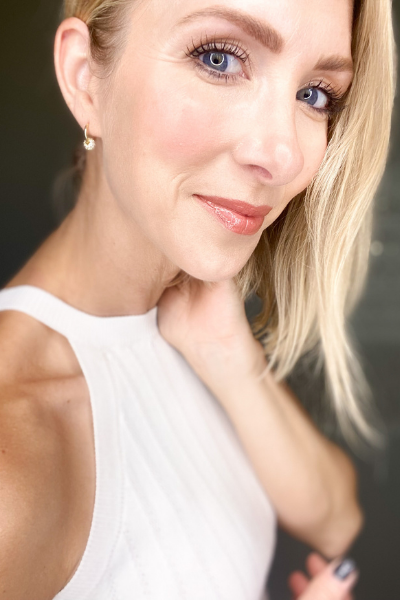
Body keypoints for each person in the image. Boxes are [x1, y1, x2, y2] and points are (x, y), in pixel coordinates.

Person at [0, 0, 395, 598]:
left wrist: (230, 360)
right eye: (219, 59)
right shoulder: (16, 459)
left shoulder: (196, 320)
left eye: (315, 94)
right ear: (85, 77)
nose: (282, 156)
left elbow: (336, 518)